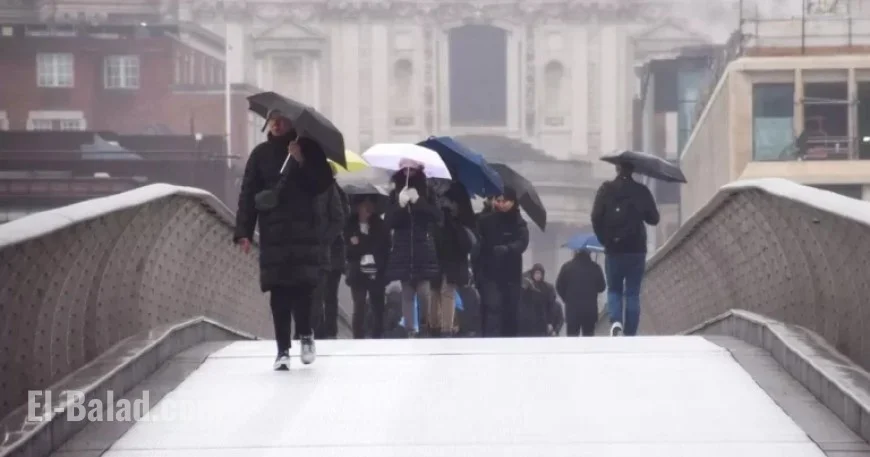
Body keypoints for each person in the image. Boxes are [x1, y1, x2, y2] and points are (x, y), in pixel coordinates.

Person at [233, 109, 342, 370]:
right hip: (273, 235)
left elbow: (322, 184)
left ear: (292, 124)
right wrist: (244, 232)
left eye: (282, 121)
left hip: (304, 233)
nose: (276, 125)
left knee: (303, 291)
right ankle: (282, 350)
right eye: (272, 121)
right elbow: (248, 193)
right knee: (278, 293)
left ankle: (306, 335)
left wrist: (302, 160)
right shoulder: (260, 155)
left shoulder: (309, 150)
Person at [591, 162, 660, 337]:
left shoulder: (606, 189)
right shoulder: (641, 191)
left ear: (617, 168)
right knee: (632, 292)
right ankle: (630, 333)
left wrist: (604, 239)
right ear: (633, 170)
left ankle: (615, 322)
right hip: (636, 249)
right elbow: (654, 219)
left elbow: (595, 216)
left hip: (614, 249)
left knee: (614, 289)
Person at [382, 160, 442, 337]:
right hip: (403, 249)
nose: (408, 174)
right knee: (407, 293)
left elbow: (436, 217)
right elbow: (389, 222)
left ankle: (426, 326)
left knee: (424, 292)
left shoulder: (429, 193)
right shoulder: (394, 194)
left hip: (423, 247)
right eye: (405, 170)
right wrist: (399, 205)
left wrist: (419, 201)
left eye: (412, 170)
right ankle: (410, 330)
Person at [476, 188, 529, 337]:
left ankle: (508, 341)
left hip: (511, 272)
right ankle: (490, 338)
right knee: (493, 306)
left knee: (510, 309)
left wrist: (508, 249)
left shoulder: (519, 222)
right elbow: (479, 242)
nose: (500, 204)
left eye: (504, 201)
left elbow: (522, 242)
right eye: (497, 201)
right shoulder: (486, 220)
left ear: (512, 202)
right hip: (490, 272)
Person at [429, 181, 474, 337]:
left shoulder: (457, 191)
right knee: (434, 289)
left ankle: (445, 329)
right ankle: (434, 325)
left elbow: (468, 220)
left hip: (454, 250)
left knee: (447, 290)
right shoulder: (428, 193)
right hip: (436, 247)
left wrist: (451, 211)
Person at [345, 195, 389, 338]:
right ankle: (358, 336)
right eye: (364, 206)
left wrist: (359, 242)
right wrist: (359, 245)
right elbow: (348, 250)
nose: (367, 209)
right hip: (357, 272)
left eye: (370, 206)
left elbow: (382, 247)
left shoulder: (380, 225)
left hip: (376, 271)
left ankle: (378, 335)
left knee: (378, 306)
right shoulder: (349, 225)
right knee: (359, 305)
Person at [313, 172, 349, 340]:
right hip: (327, 251)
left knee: (327, 293)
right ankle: (325, 330)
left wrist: (326, 238)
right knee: (326, 295)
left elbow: (341, 218)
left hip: (330, 251)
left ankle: (327, 331)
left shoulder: (334, 192)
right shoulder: (335, 191)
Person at [556, 249, 606, 336]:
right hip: (590, 310)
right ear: (589, 253)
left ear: (575, 252)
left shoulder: (567, 267)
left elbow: (559, 286)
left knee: (572, 340)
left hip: (572, 310)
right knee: (588, 340)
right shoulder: (595, 267)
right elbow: (602, 287)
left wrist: (566, 299)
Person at [519, 264, 564, 336]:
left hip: (542, 320)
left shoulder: (547, 288)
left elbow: (551, 306)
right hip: (528, 321)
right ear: (532, 273)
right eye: (536, 273)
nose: (538, 275)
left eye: (540, 273)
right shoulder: (527, 286)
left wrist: (550, 322)